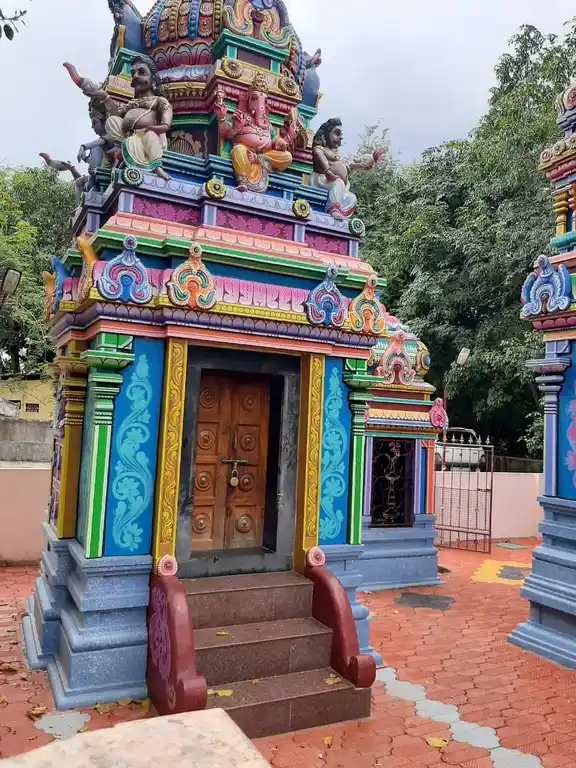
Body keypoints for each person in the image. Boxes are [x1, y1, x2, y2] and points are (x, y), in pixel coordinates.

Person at [311, 118, 374, 220]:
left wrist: (360, 166)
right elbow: (320, 157)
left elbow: (346, 168)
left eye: (341, 135)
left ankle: (341, 212)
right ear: (324, 136)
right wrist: (327, 172)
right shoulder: (319, 149)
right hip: (321, 180)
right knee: (338, 182)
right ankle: (333, 209)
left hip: (335, 185)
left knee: (352, 198)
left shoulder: (334, 153)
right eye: (337, 133)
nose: (341, 137)